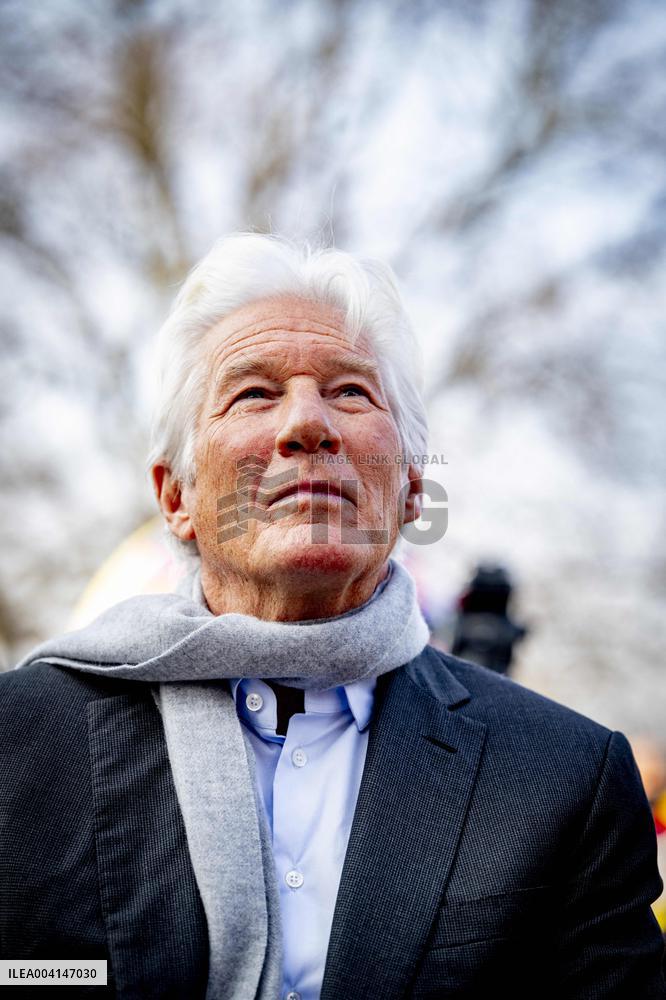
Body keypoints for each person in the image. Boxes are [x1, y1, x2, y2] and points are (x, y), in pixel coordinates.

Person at [1, 232, 664, 1000]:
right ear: (176, 498)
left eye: (351, 391)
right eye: (253, 393)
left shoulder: (562, 782)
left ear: (414, 488)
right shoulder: (17, 750)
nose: (307, 424)